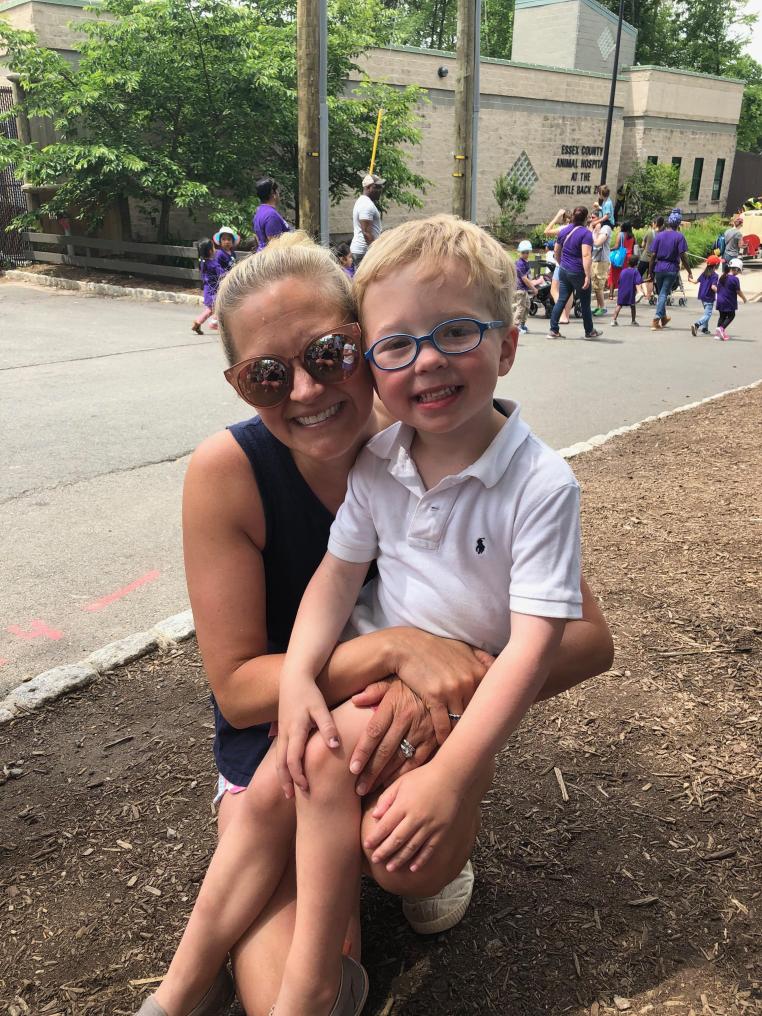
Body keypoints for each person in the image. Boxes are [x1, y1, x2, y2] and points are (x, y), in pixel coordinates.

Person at [134, 232, 614, 1016]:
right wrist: (395, 652)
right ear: (241, 385)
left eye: (329, 354)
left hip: (415, 723)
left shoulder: (447, 439)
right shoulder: (241, 473)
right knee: (283, 984)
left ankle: (393, 866)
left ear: (362, 346)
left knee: (400, 862)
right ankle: (190, 988)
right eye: (265, 375)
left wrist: (442, 688)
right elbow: (239, 689)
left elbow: (587, 639)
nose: (303, 390)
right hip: (284, 730)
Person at [547, 206, 601, 341]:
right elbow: (586, 255)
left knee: (561, 299)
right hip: (578, 272)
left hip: (564, 270)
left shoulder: (564, 231)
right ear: (585, 218)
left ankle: (553, 330)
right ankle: (589, 331)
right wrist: (587, 275)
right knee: (585, 302)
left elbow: (557, 251)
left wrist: (561, 263)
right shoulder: (586, 234)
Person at [648, 216, 694, 331]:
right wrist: (689, 271)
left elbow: (653, 255)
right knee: (663, 293)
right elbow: (683, 255)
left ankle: (663, 318)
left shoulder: (659, 236)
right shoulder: (679, 236)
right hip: (671, 268)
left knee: (661, 294)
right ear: (678, 224)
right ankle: (656, 318)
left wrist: (650, 271)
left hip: (659, 268)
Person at [544, 209, 573, 325]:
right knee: (570, 291)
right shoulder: (578, 229)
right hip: (572, 263)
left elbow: (546, 231)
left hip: (561, 263)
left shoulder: (563, 229)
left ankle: (562, 314)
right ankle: (566, 316)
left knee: (554, 290)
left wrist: (557, 216)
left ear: (564, 219)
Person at [350, 174, 384, 267]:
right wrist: (375, 252)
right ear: (368, 187)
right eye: (377, 187)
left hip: (363, 251)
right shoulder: (366, 205)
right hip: (364, 252)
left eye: (381, 187)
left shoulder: (363, 201)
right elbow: (366, 233)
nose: (380, 190)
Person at [191, 238, 222, 335]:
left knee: (211, 309)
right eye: (213, 247)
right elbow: (222, 274)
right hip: (213, 291)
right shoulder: (213, 264)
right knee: (219, 307)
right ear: (210, 251)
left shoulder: (203, 262)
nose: (215, 249)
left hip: (207, 290)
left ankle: (198, 322)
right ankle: (214, 323)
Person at [253, 178, 292, 251]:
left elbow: (257, 238)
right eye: (277, 191)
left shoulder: (259, 211)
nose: (278, 193)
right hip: (272, 257)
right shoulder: (271, 215)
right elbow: (274, 246)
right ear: (273, 194)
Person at [513, 239, 542, 333]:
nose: (526, 254)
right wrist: (533, 288)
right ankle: (515, 326)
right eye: (523, 252)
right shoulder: (520, 263)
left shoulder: (525, 262)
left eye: (527, 252)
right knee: (521, 307)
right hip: (520, 289)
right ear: (519, 252)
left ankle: (522, 324)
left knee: (527, 306)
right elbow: (524, 279)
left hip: (524, 289)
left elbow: (528, 277)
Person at [714, 258, 747, 341]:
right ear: (736, 269)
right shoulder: (735, 279)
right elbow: (738, 291)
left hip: (720, 300)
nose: (738, 273)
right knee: (731, 315)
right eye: (738, 271)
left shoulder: (722, 276)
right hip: (728, 301)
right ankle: (721, 328)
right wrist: (744, 298)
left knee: (722, 316)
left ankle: (717, 334)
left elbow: (718, 288)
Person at [690, 255, 721, 336]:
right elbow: (713, 287)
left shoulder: (704, 273)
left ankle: (705, 328)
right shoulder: (715, 275)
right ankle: (697, 324)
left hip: (702, 296)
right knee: (708, 314)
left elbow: (695, 282)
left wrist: (689, 279)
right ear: (716, 265)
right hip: (709, 297)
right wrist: (721, 292)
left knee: (706, 313)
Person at [590, 214, 612, 317]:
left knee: (598, 286)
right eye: (590, 217)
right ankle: (599, 307)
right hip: (594, 260)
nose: (591, 219)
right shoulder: (595, 228)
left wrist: (594, 231)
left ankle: (603, 307)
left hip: (601, 261)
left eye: (593, 217)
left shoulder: (605, 228)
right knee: (595, 285)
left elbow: (597, 243)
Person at [610, 254, 641, 326]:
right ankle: (633, 321)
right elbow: (638, 281)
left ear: (628, 262)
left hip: (622, 292)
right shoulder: (635, 271)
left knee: (619, 305)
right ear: (636, 264)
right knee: (632, 306)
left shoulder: (623, 271)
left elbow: (619, 281)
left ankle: (614, 320)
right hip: (630, 292)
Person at [607, 222, 635, 299]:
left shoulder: (621, 234)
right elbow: (633, 247)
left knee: (613, 275)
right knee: (624, 277)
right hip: (628, 258)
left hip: (620, 258)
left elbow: (617, 246)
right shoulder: (632, 236)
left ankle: (611, 295)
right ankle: (623, 294)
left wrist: (609, 249)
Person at [636, 217, 661, 301]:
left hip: (645, 258)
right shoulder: (661, 234)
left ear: (654, 224)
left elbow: (643, 245)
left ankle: (639, 292)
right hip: (655, 260)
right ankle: (649, 296)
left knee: (638, 275)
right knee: (650, 278)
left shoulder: (649, 232)